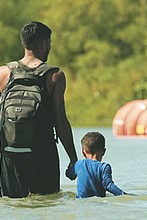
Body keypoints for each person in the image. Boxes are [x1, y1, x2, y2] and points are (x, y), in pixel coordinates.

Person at [0, 21, 78, 198]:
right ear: (44, 44)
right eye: (49, 43)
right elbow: (60, 120)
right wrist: (73, 158)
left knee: (12, 204)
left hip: (9, 154)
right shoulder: (54, 76)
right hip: (42, 154)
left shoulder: (4, 73)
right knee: (46, 202)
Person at [66, 131, 134, 198]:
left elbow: (69, 175)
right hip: (99, 203)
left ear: (83, 152)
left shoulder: (79, 164)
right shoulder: (104, 167)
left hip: (81, 203)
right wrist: (124, 195)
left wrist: (71, 164)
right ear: (104, 152)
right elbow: (108, 185)